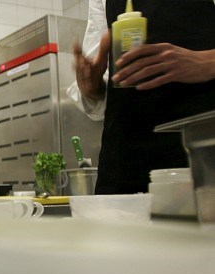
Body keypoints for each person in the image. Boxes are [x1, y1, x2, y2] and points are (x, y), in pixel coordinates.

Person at [68, 0, 215, 194]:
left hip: (199, 151)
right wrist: (92, 86)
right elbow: (101, 78)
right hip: (122, 161)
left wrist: (207, 61)